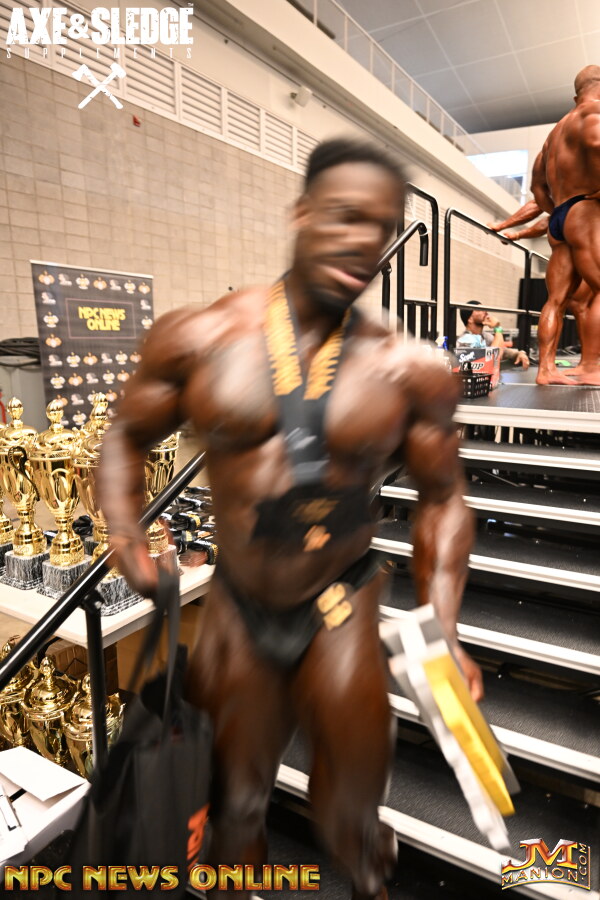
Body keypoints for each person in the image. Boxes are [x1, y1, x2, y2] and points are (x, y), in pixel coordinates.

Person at [98, 138, 482, 900]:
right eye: (345, 217)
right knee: (235, 810)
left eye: (382, 229)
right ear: (301, 213)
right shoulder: (200, 337)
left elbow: (444, 498)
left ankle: (366, 865)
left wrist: (442, 624)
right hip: (238, 605)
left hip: (339, 599)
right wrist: (123, 529)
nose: (365, 242)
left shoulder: (410, 369)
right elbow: (124, 436)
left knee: (350, 814)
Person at [530, 65, 600, 385]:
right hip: (585, 210)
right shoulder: (593, 112)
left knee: (555, 301)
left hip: (560, 217)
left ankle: (546, 370)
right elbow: (597, 144)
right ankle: (590, 367)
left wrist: (558, 211)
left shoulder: (554, 134)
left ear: (576, 95)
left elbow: (537, 187)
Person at [490, 201, 599, 376]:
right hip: (586, 221)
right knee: (582, 305)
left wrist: (509, 229)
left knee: (557, 302)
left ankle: (546, 369)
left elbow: (541, 208)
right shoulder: (588, 190)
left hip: (559, 222)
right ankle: (588, 364)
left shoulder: (557, 188)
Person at [457, 300, 530, 368]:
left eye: (484, 308)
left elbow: (504, 351)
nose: (485, 311)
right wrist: (497, 328)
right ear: (470, 319)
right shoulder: (464, 341)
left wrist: (520, 353)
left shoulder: (487, 336)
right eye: (479, 309)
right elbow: (493, 359)